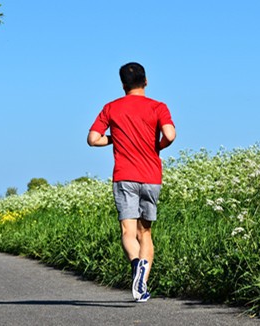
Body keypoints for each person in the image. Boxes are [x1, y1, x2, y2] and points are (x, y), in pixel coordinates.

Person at [87, 62, 176, 302]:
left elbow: (93, 139)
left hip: (124, 175)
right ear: (145, 81)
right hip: (151, 175)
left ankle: (136, 265)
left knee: (128, 231)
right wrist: (157, 146)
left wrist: (115, 139)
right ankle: (142, 283)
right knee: (145, 233)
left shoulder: (111, 108)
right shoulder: (158, 107)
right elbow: (170, 135)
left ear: (123, 85)